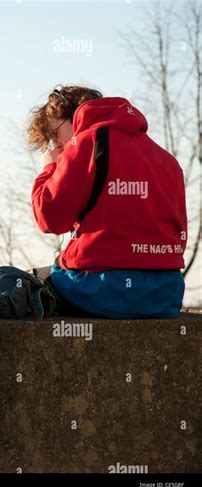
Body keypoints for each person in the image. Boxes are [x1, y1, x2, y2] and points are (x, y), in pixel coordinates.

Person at [27, 84, 187, 318]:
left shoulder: (85, 144)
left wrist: (50, 169)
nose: (56, 146)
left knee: (19, 284)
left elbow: (49, 218)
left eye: (55, 135)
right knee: (48, 271)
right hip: (166, 294)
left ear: (75, 116)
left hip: (104, 292)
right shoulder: (167, 160)